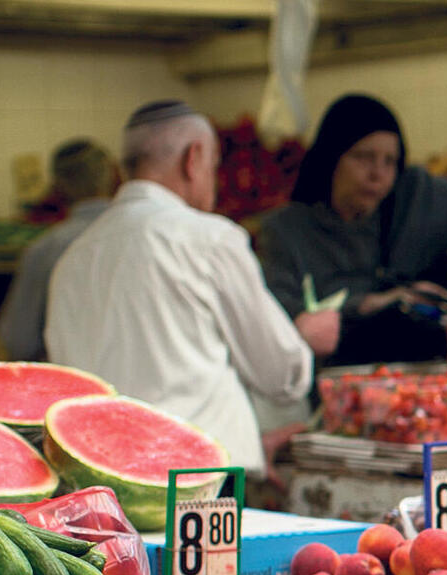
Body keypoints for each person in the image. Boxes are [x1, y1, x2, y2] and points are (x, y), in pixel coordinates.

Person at [46, 101, 326, 475]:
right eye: (213, 166)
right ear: (193, 159)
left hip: (101, 478)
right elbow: (280, 374)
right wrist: (302, 337)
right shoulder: (209, 238)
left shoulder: (73, 259)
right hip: (200, 478)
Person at [256, 94, 447, 370]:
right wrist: (370, 305)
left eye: (389, 161)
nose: (378, 174)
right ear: (332, 158)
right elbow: (277, 320)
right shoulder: (285, 232)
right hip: (342, 374)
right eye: (363, 157)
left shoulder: (415, 195)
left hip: (433, 367)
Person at [0, 139, 120, 362]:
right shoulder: (144, 237)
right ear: (111, 176)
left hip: (68, 375)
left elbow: (18, 341)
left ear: (59, 184)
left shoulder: (46, 249)